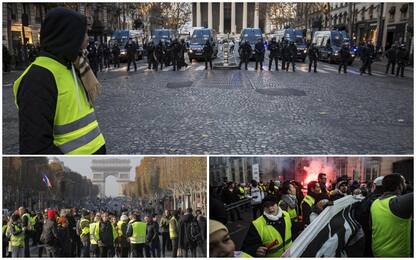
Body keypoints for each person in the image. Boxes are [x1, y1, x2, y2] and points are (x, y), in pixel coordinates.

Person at [13, 7, 106, 154]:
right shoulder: (38, 78)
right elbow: (35, 147)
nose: (88, 38)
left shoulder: (74, 64)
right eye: (84, 33)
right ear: (68, 36)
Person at [370, 173, 412, 257]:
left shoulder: (375, 203)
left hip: (377, 251)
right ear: (399, 186)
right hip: (397, 255)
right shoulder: (398, 203)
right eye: (404, 183)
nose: (406, 185)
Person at [358, 176, 384, 257]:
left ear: (374, 186)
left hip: (369, 233)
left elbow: (361, 214)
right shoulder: (382, 199)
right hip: (378, 234)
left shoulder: (370, 198)